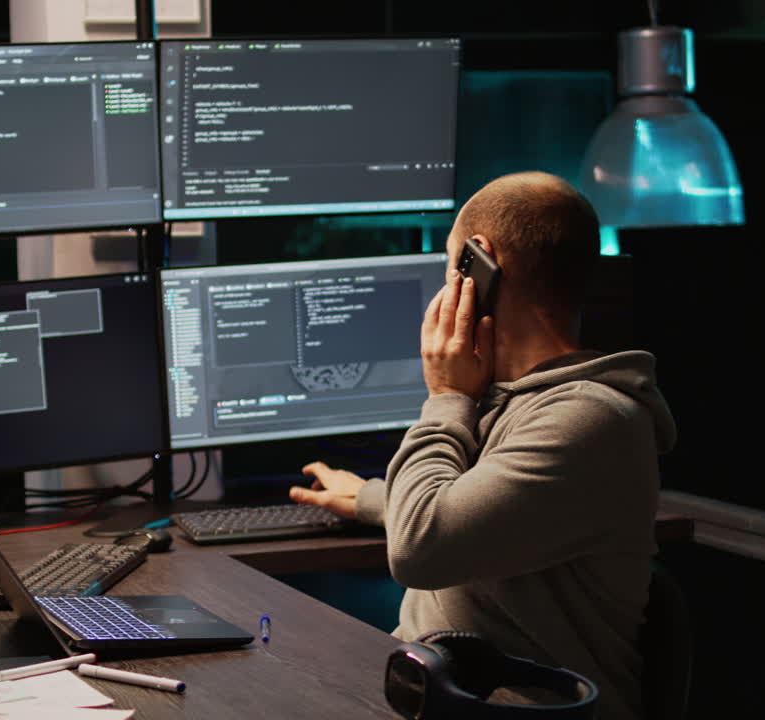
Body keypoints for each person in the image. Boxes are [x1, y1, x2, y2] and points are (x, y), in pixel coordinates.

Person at [289, 171, 677, 720]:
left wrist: (446, 395)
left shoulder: (590, 418)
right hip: (452, 695)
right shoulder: (514, 399)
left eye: (451, 264)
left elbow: (422, 551)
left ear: (478, 263)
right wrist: (375, 501)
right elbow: (491, 506)